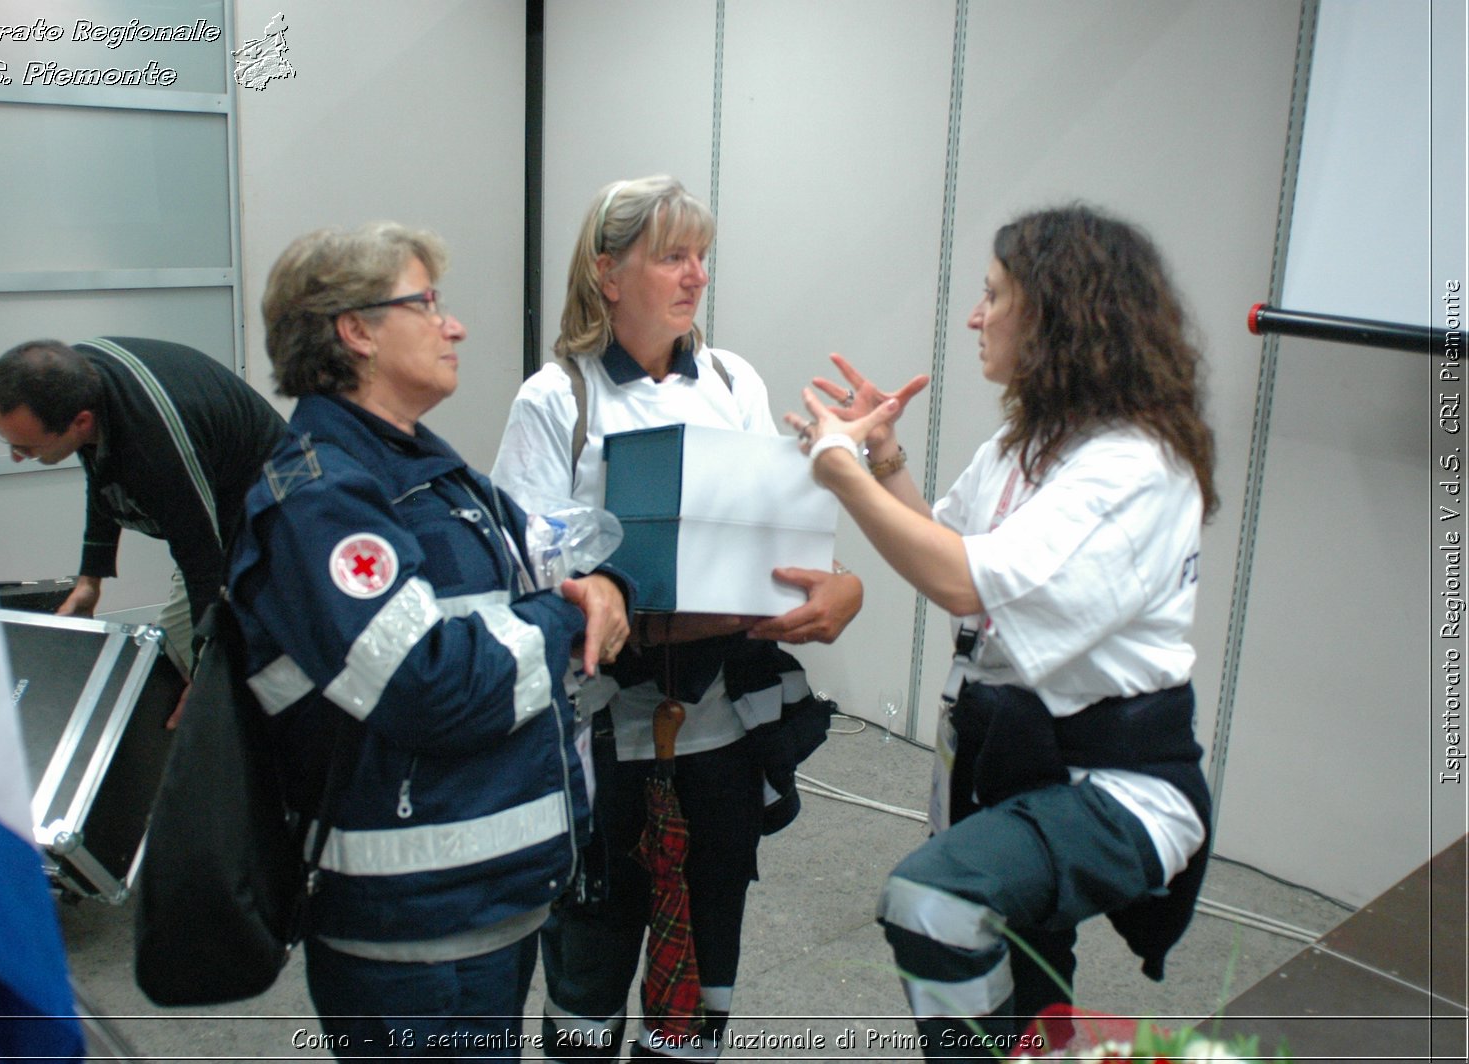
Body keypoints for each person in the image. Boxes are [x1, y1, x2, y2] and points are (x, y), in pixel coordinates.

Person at [789, 204, 1217, 1060]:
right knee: (1023, 952)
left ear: (1059, 314)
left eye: (992, 297)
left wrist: (837, 467)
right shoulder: (1028, 446)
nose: (976, 317)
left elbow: (957, 575)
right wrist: (883, 460)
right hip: (1022, 763)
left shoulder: (1133, 466)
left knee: (935, 902)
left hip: (1117, 782)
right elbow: (952, 560)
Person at [228, 221, 632, 1059]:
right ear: (356, 329)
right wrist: (565, 619)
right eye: (428, 304)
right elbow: (430, 686)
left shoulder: (430, 477)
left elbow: (560, 562)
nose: (455, 326)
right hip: (416, 927)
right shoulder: (323, 501)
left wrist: (601, 587)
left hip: (482, 902)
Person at [490, 175, 865, 1060]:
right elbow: (520, 569)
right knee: (588, 958)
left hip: (721, 729)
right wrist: (603, 587)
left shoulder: (733, 380)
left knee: (700, 974)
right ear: (607, 273)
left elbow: (765, 539)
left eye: (703, 256)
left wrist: (839, 581)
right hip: (597, 737)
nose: (697, 275)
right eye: (672, 256)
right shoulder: (556, 398)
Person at [0, 337, 285, 672]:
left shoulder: (158, 443)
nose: (15, 457)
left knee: (199, 660)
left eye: (26, 448)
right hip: (217, 501)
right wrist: (90, 581)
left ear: (81, 423)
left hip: (273, 504)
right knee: (177, 660)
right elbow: (103, 479)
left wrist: (205, 672)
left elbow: (202, 562)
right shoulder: (75, 376)